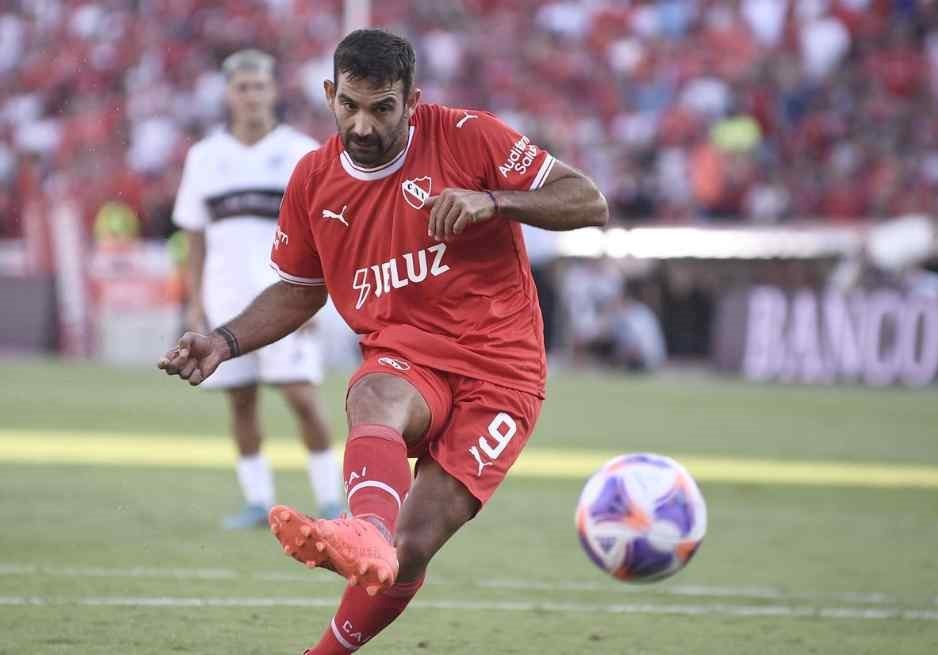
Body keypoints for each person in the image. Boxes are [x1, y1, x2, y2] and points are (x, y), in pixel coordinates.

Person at [159, 29, 608, 653]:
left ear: (412, 101)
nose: (362, 125)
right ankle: (364, 527)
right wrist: (224, 341)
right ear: (329, 94)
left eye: (382, 108)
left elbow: (589, 202)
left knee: (412, 545)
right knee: (374, 396)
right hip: (406, 355)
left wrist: (493, 201)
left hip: (501, 371)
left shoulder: (468, 135)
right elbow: (299, 290)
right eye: (349, 106)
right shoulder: (314, 179)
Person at [171, 49, 342, 529]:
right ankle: (257, 500)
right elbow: (195, 236)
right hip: (225, 299)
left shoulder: (301, 152)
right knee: (241, 400)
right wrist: (196, 303)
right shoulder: (205, 157)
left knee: (302, 398)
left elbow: (326, 231)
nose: (250, 96)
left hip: (285, 299)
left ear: (273, 91)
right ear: (229, 94)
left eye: (259, 87)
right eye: (242, 88)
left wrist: (314, 297)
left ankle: (331, 500)